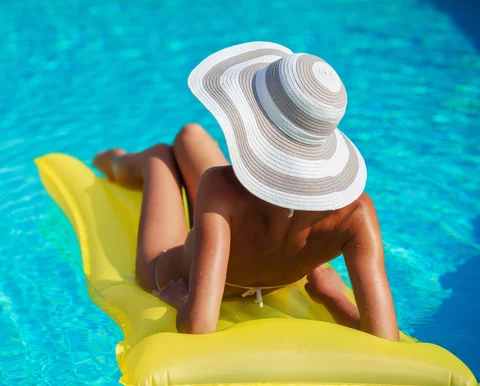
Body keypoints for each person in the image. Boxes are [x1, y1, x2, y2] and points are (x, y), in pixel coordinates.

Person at [93, 42, 399, 341]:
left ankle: (115, 162)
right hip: (271, 281)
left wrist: (179, 299)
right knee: (191, 135)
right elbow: (385, 338)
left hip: (173, 274)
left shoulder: (221, 189)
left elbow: (199, 325)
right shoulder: (357, 212)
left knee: (160, 156)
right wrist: (332, 298)